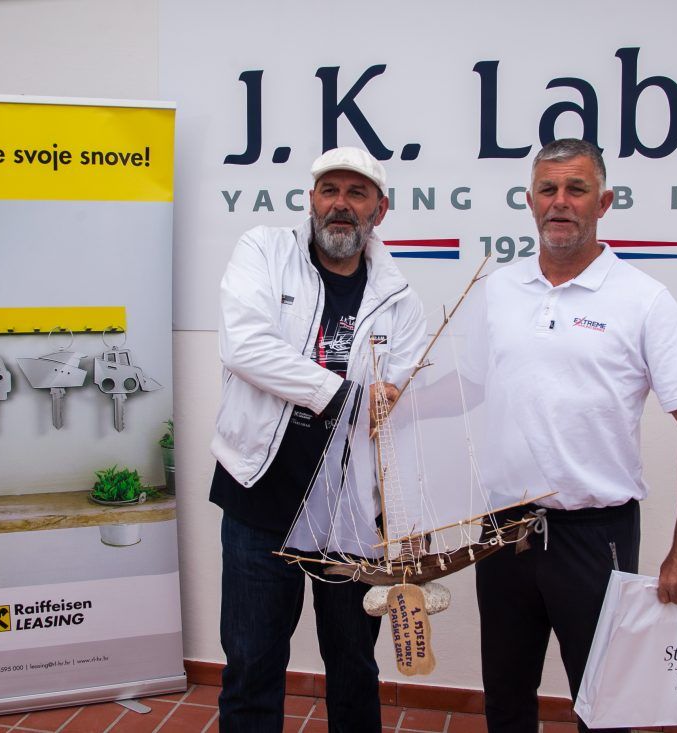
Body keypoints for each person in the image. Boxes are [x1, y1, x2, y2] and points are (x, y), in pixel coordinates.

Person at [474, 138, 677, 733]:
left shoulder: (644, 300)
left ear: (604, 202)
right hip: (502, 532)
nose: (560, 202)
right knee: (505, 697)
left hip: (594, 536)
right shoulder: (497, 289)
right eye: (548, 189)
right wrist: (395, 398)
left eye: (576, 189)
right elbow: (468, 391)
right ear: (530, 201)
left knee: (606, 708)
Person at [209, 147, 426, 733]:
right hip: (261, 495)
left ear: (380, 210)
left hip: (352, 512)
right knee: (252, 666)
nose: (340, 204)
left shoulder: (400, 298)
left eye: (357, 193)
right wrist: (347, 395)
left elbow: (397, 408)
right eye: (330, 190)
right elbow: (245, 346)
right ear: (311, 199)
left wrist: (406, 512)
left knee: (354, 668)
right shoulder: (264, 250)